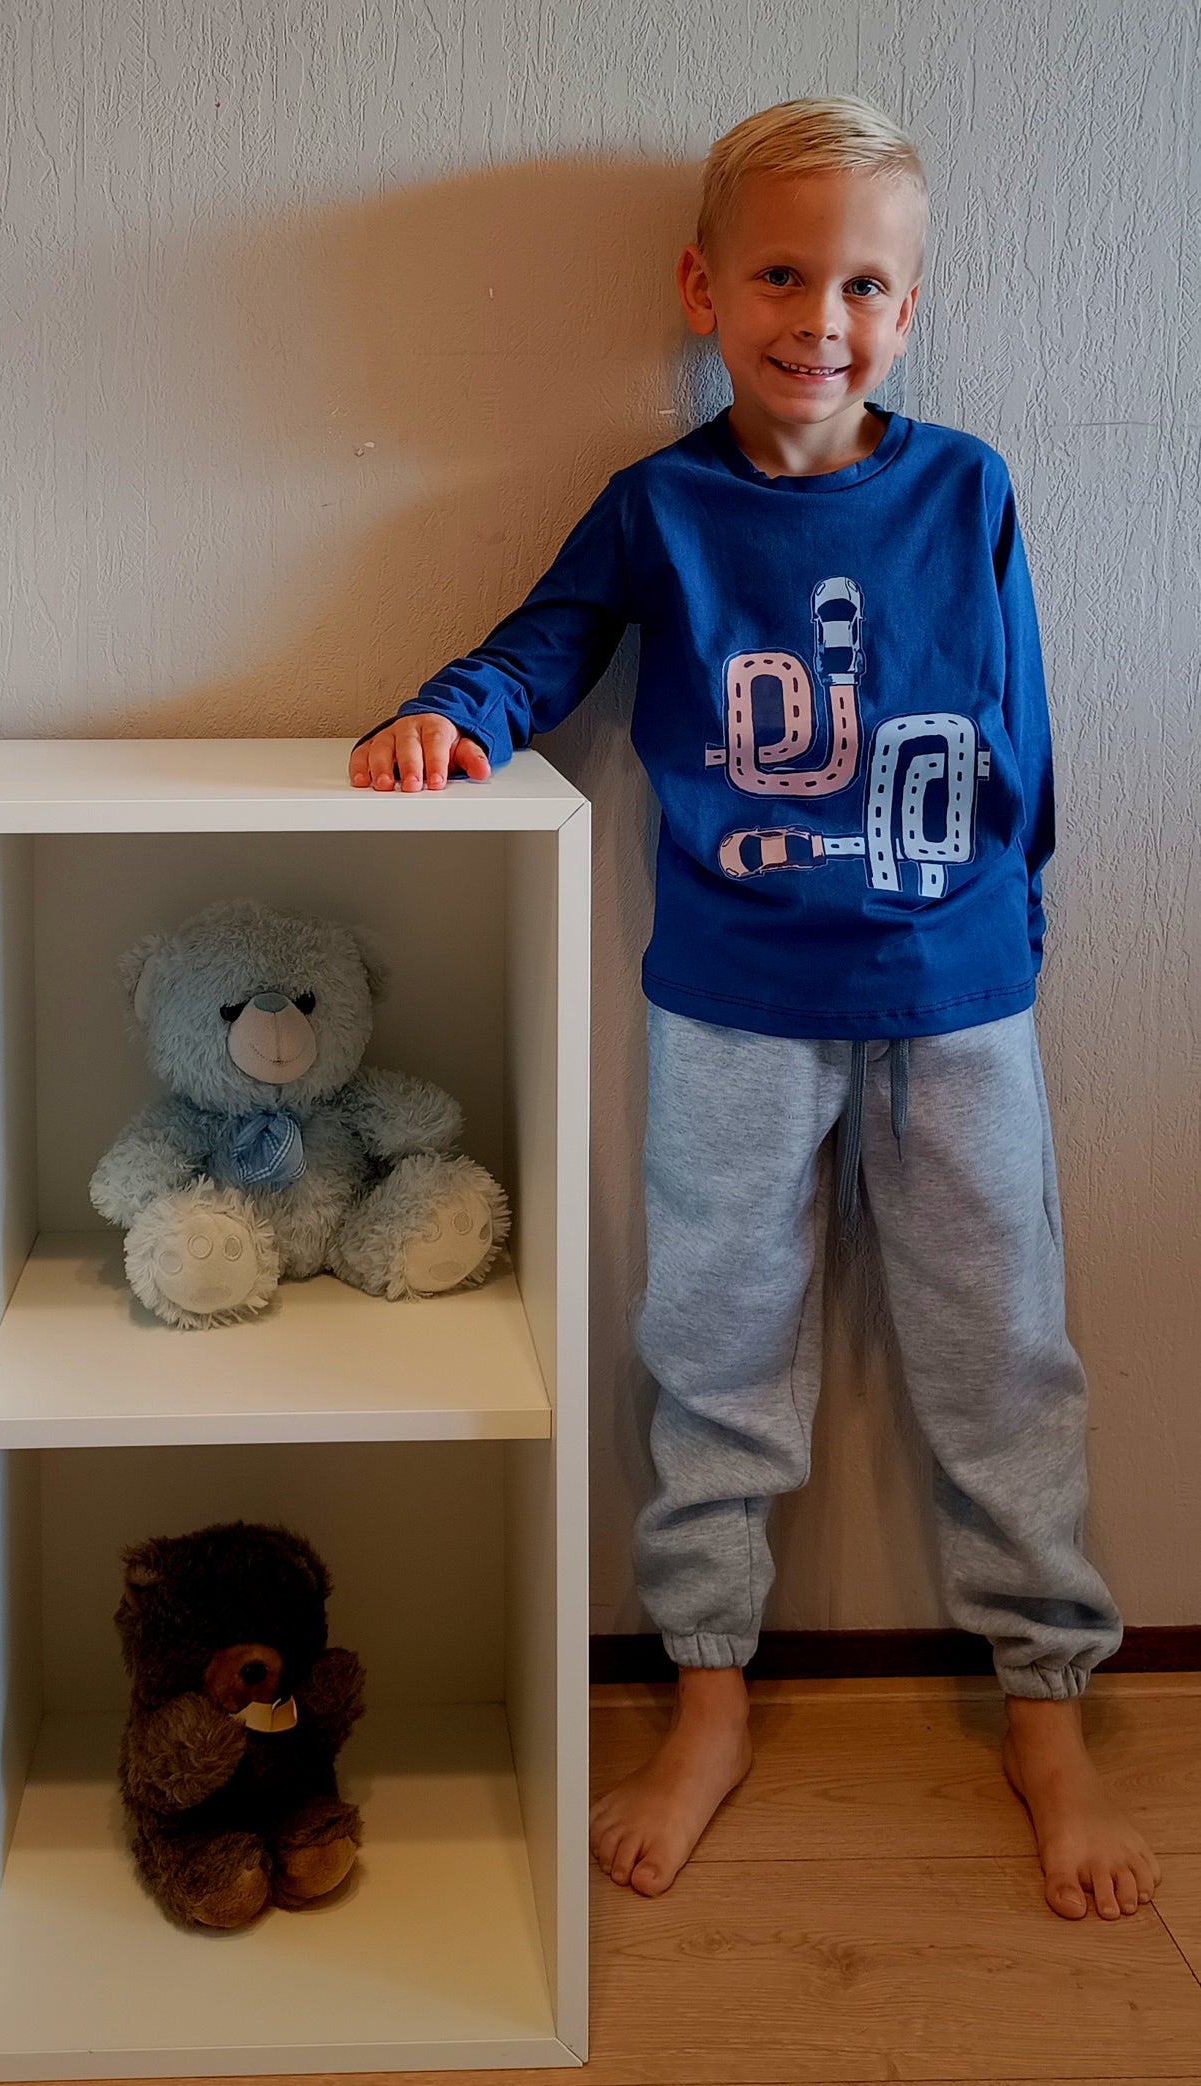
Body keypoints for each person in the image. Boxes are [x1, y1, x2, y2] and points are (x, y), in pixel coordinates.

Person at [350, 97, 1159, 1921]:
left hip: (955, 995)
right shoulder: (661, 504)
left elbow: (1020, 725)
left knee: (1001, 1349)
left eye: (864, 283)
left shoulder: (965, 487)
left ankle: (1044, 1707)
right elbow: (548, 643)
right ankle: (705, 1690)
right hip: (729, 1001)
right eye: (783, 275)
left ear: (909, 306)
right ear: (701, 289)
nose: (822, 318)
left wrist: (1013, 923)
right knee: (711, 1342)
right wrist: (450, 715)